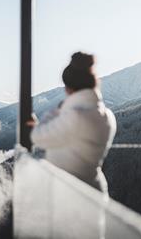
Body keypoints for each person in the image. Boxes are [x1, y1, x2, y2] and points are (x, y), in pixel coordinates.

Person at [27, 52, 116, 191]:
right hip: (94, 189)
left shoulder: (75, 117)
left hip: (71, 193)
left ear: (69, 88)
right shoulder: (108, 115)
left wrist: (57, 111)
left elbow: (37, 137)